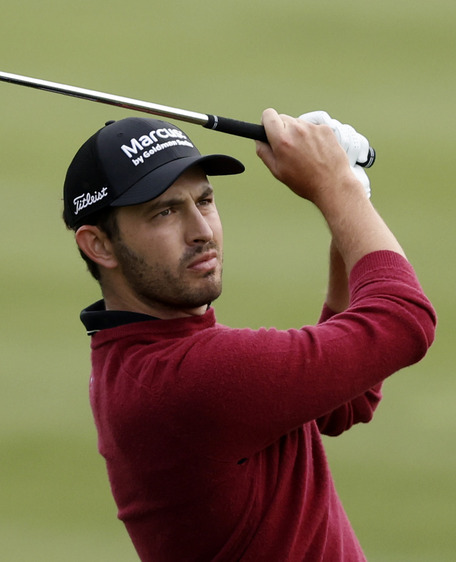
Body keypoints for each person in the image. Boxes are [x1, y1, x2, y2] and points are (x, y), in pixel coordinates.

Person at [62, 109, 437, 561]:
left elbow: (346, 402)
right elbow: (404, 321)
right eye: (163, 212)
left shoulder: (139, 357)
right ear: (98, 245)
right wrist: (338, 188)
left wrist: (348, 198)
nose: (202, 232)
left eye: (203, 201)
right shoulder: (192, 378)